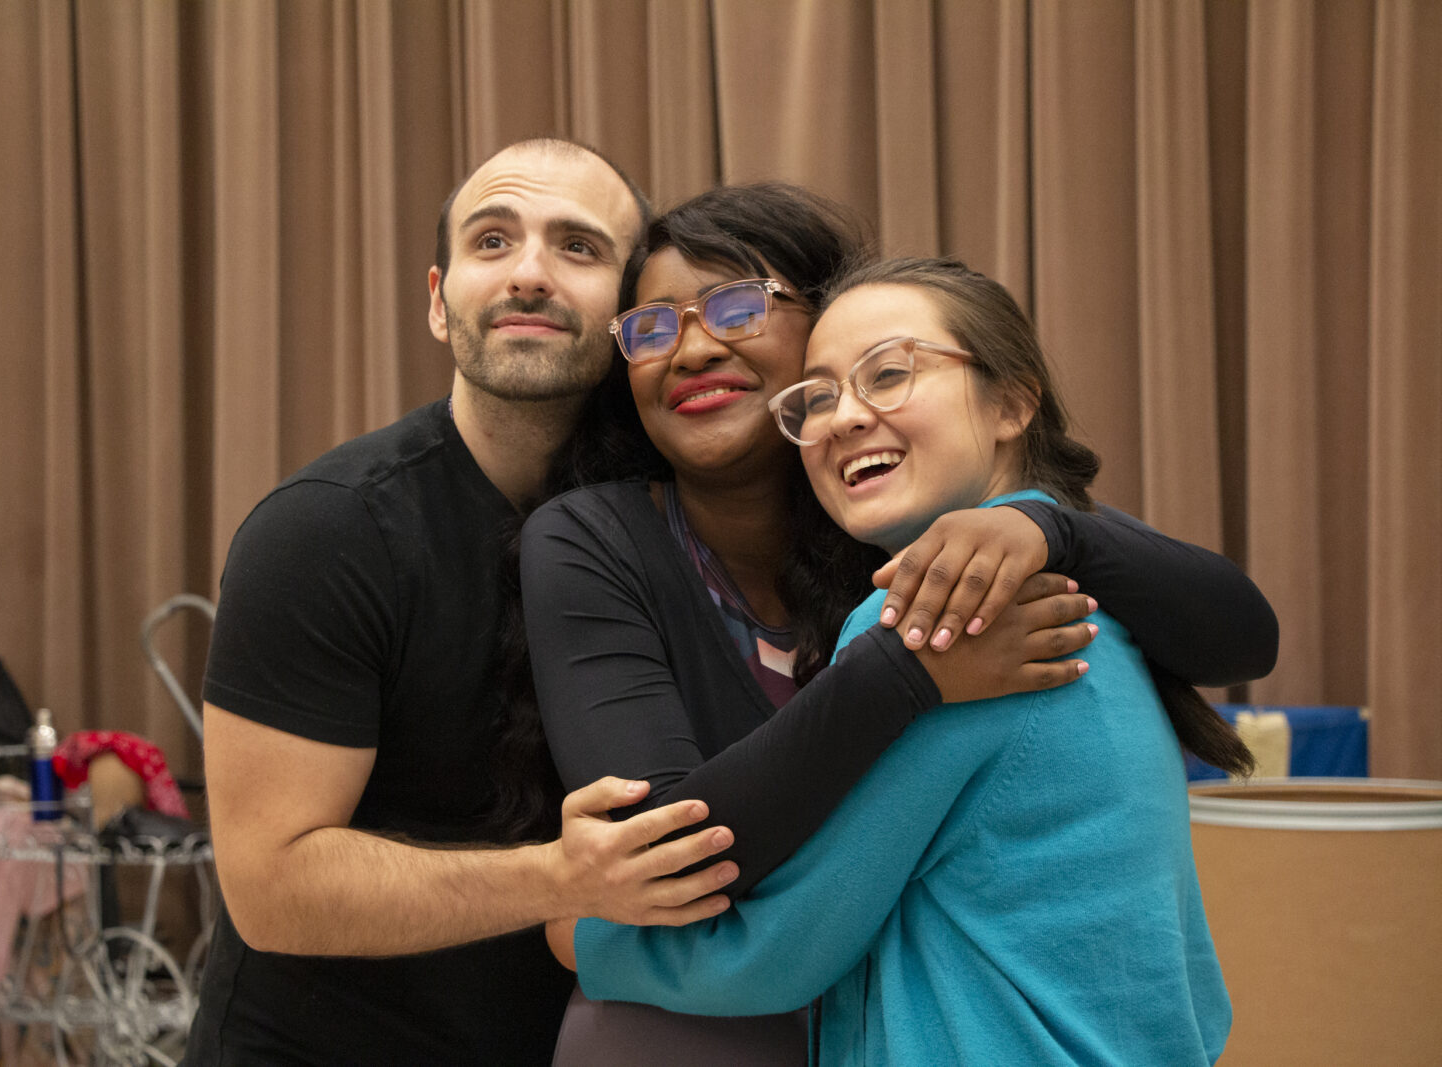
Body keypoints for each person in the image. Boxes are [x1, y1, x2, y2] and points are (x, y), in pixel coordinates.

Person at [561, 255, 1256, 1064]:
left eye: (888, 373)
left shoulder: (939, 611)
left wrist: (580, 934)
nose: (846, 417)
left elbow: (778, 950)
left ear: (1013, 400)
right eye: (818, 397)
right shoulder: (1102, 594)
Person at [184, 139, 749, 1066]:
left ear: (633, 314)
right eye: (493, 241)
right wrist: (563, 877)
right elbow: (270, 883)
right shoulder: (327, 531)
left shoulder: (671, 508)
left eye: (578, 247)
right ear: (440, 304)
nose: (529, 272)